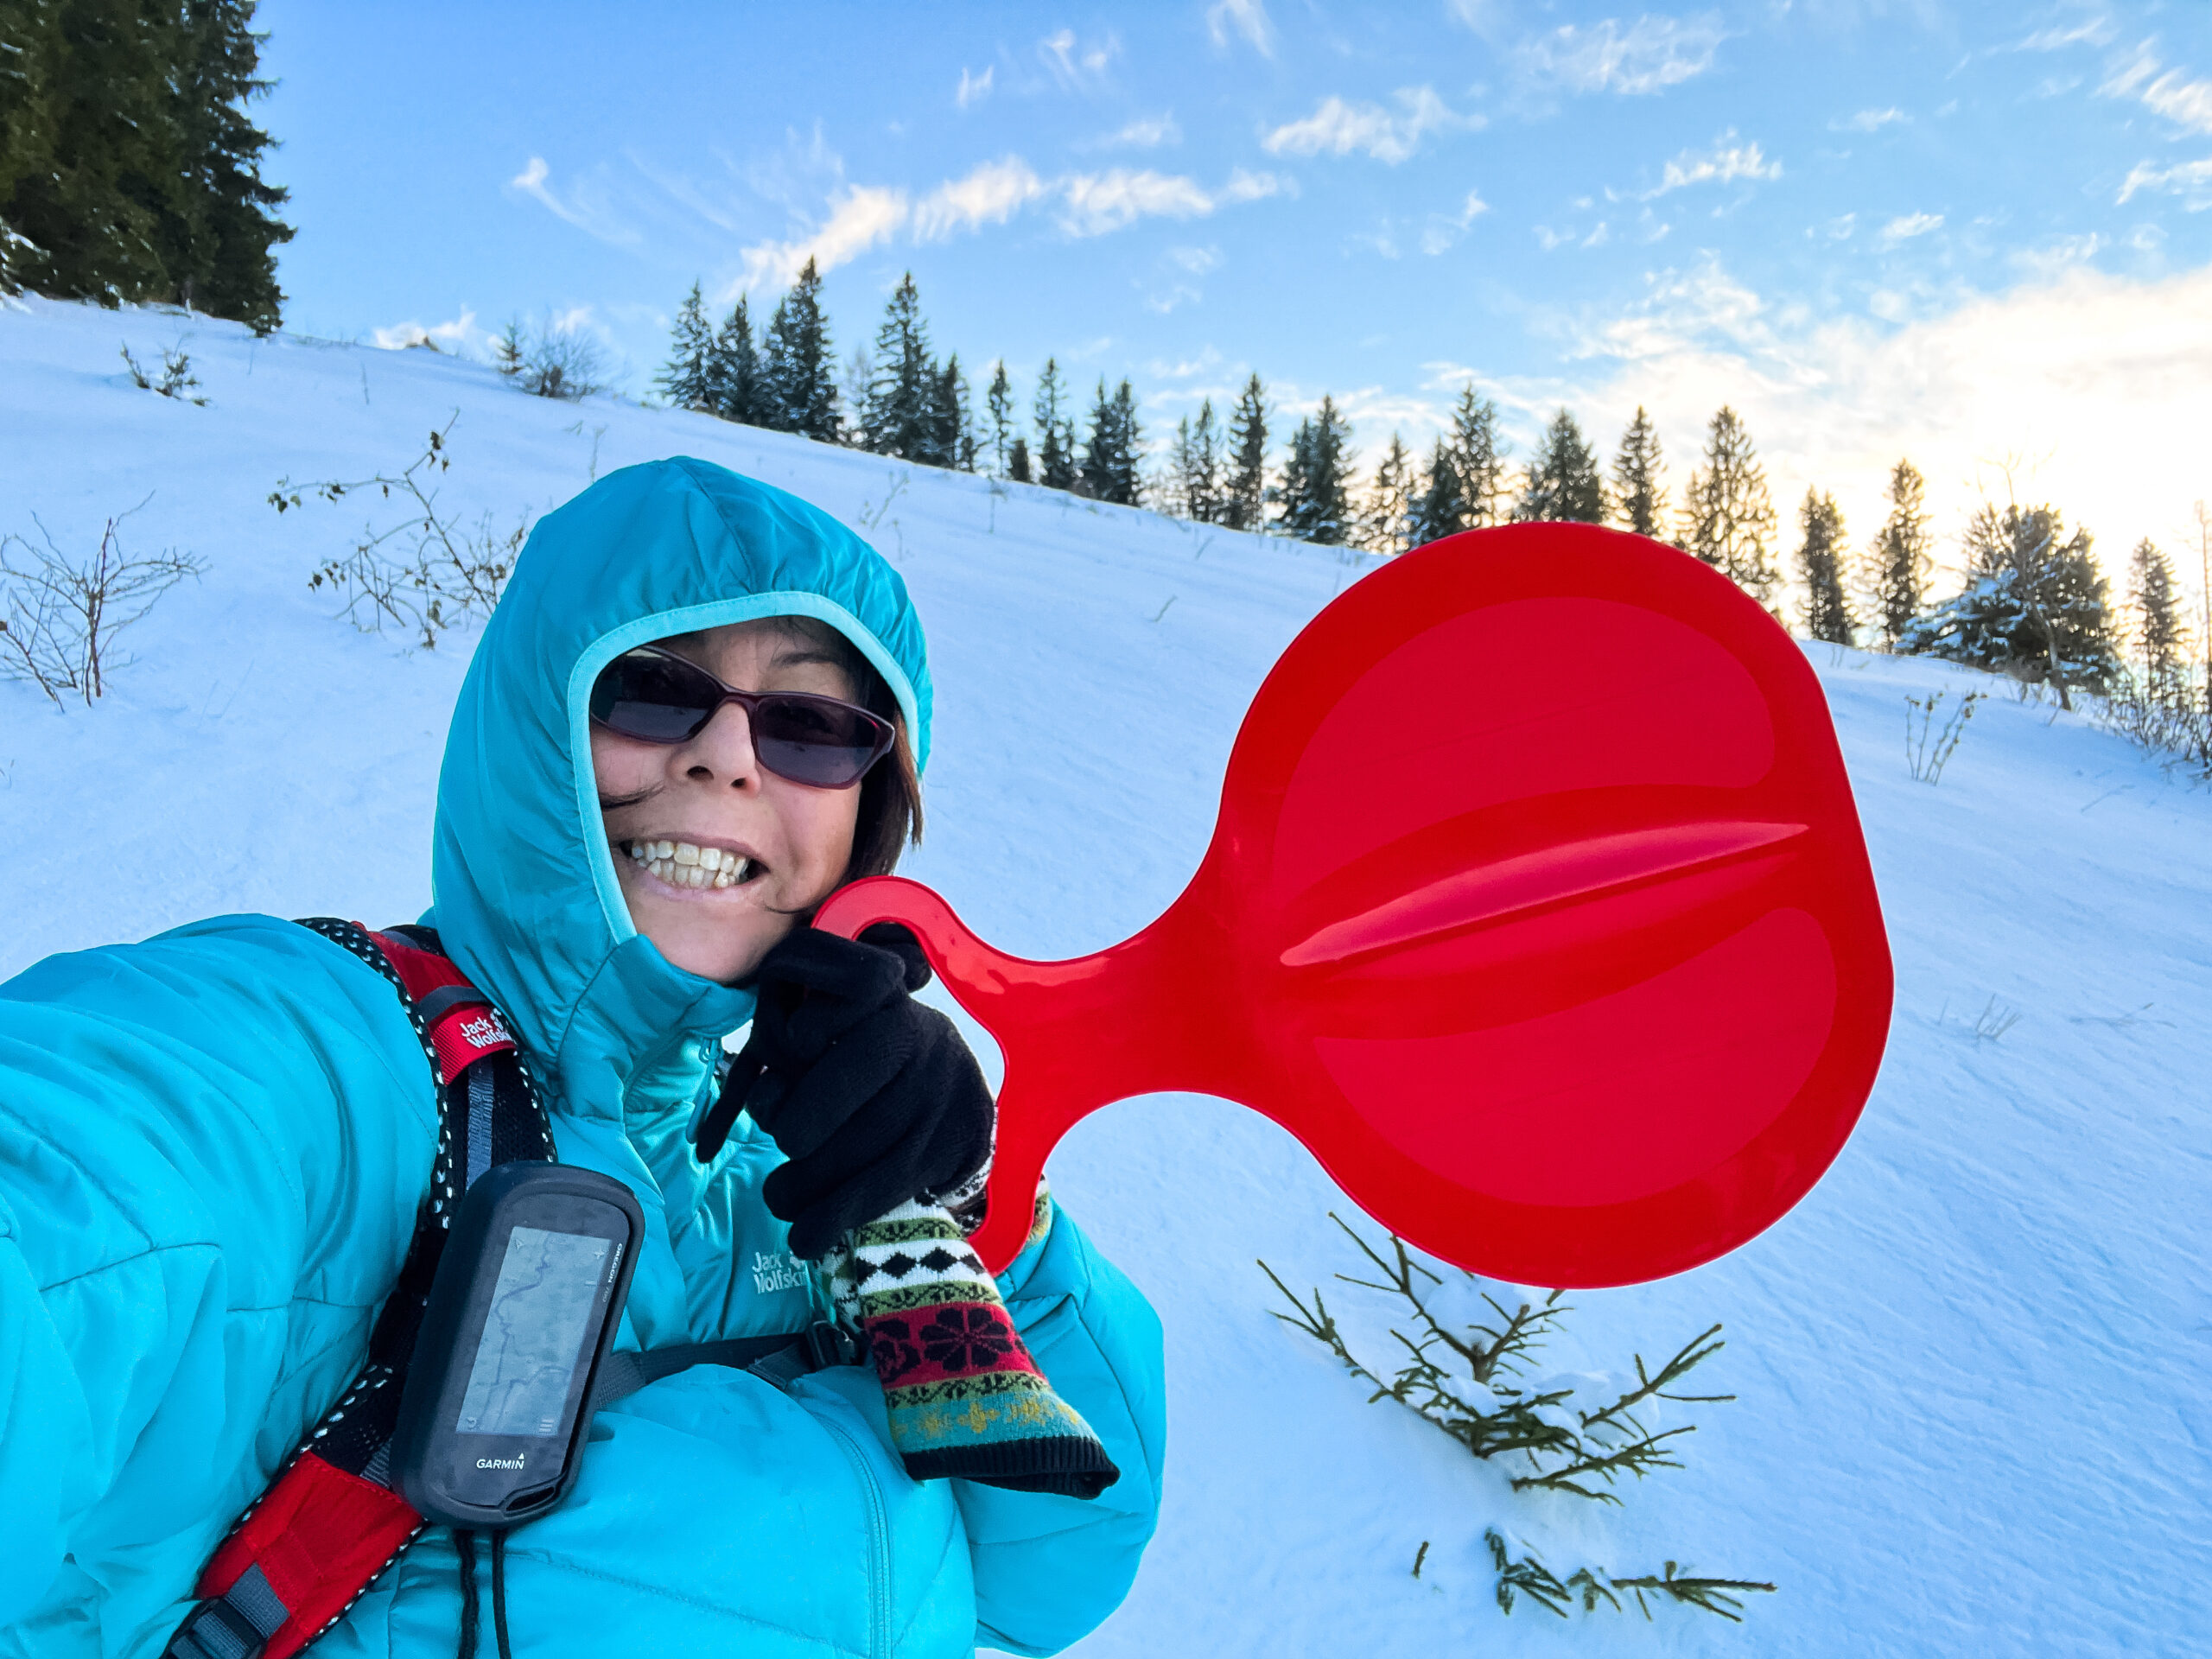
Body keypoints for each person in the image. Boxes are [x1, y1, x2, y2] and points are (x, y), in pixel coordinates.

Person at [0, 459, 1166, 1657]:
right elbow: (67, 1191)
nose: (728, 757)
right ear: (534, 723)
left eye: (814, 726)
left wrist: (980, 1206)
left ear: (869, 808)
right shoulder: (318, 1069)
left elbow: (1052, 1574)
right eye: (653, 691)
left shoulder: (822, 1186)